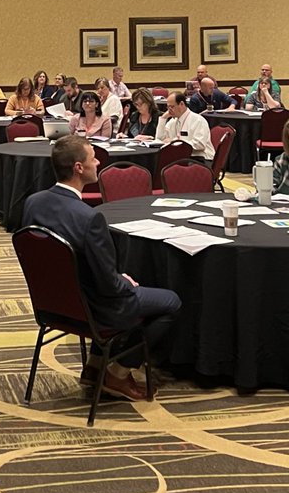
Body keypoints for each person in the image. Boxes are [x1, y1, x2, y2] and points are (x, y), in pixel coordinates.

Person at [20, 136, 182, 400]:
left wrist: (116, 277)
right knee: (171, 302)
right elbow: (109, 286)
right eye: (92, 157)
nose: (98, 162)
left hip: (52, 305)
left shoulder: (33, 202)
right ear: (78, 168)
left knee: (105, 283)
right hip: (93, 311)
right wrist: (125, 282)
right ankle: (117, 374)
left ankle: (95, 367)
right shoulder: (89, 218)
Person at [156, 92, 214, 160]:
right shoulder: (173, 121)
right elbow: (160, 139)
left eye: (172, 107)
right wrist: (163, 118)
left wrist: (175, 142)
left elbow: (199, 144)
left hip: (201, 158)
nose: (169, 110)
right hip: (182, 157)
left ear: (181, 104)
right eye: (168, 107)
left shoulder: (198, 120)